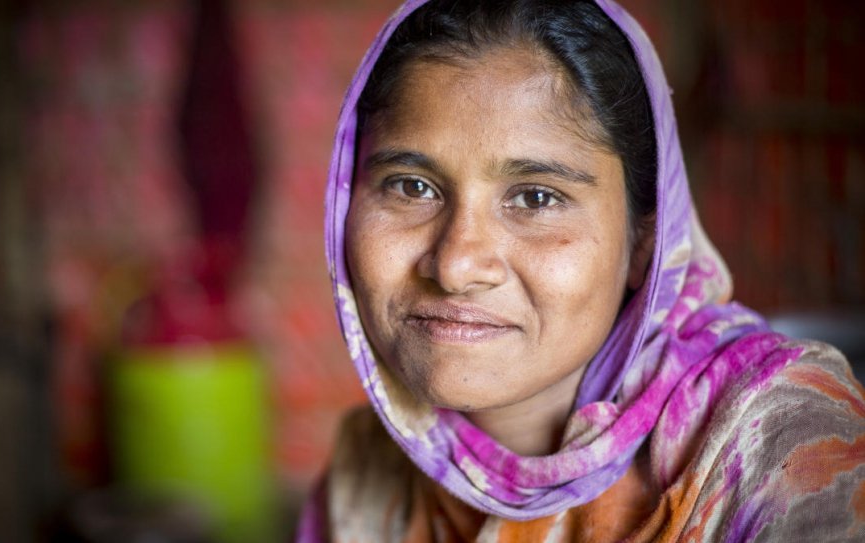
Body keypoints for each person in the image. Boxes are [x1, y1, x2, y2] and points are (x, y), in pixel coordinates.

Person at [298, 0, 865, 541]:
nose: (456, 266)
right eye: (411, 186)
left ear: (647, 240)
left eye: (537, 198)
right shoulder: (369, 471)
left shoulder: (782, 443)